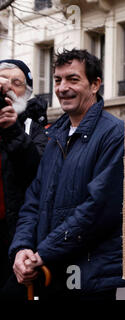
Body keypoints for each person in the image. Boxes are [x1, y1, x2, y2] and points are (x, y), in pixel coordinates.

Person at [8, 49, 125, 300]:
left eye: (73, 79)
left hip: (90, 279)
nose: (62, 88)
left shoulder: (115, 134)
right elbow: (33, 200)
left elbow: (97, 209)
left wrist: (41, 253)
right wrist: (22, 248)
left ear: (95, 84)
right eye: (58, 80)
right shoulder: (54, 134)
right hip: (50, 271)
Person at [0, 59, 48, 299]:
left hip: (17, 238)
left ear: (27, 93)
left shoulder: (37, 130)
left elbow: (37, 172)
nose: (8, 88)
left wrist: (11, 131)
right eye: (2, 83)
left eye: (16, 83)